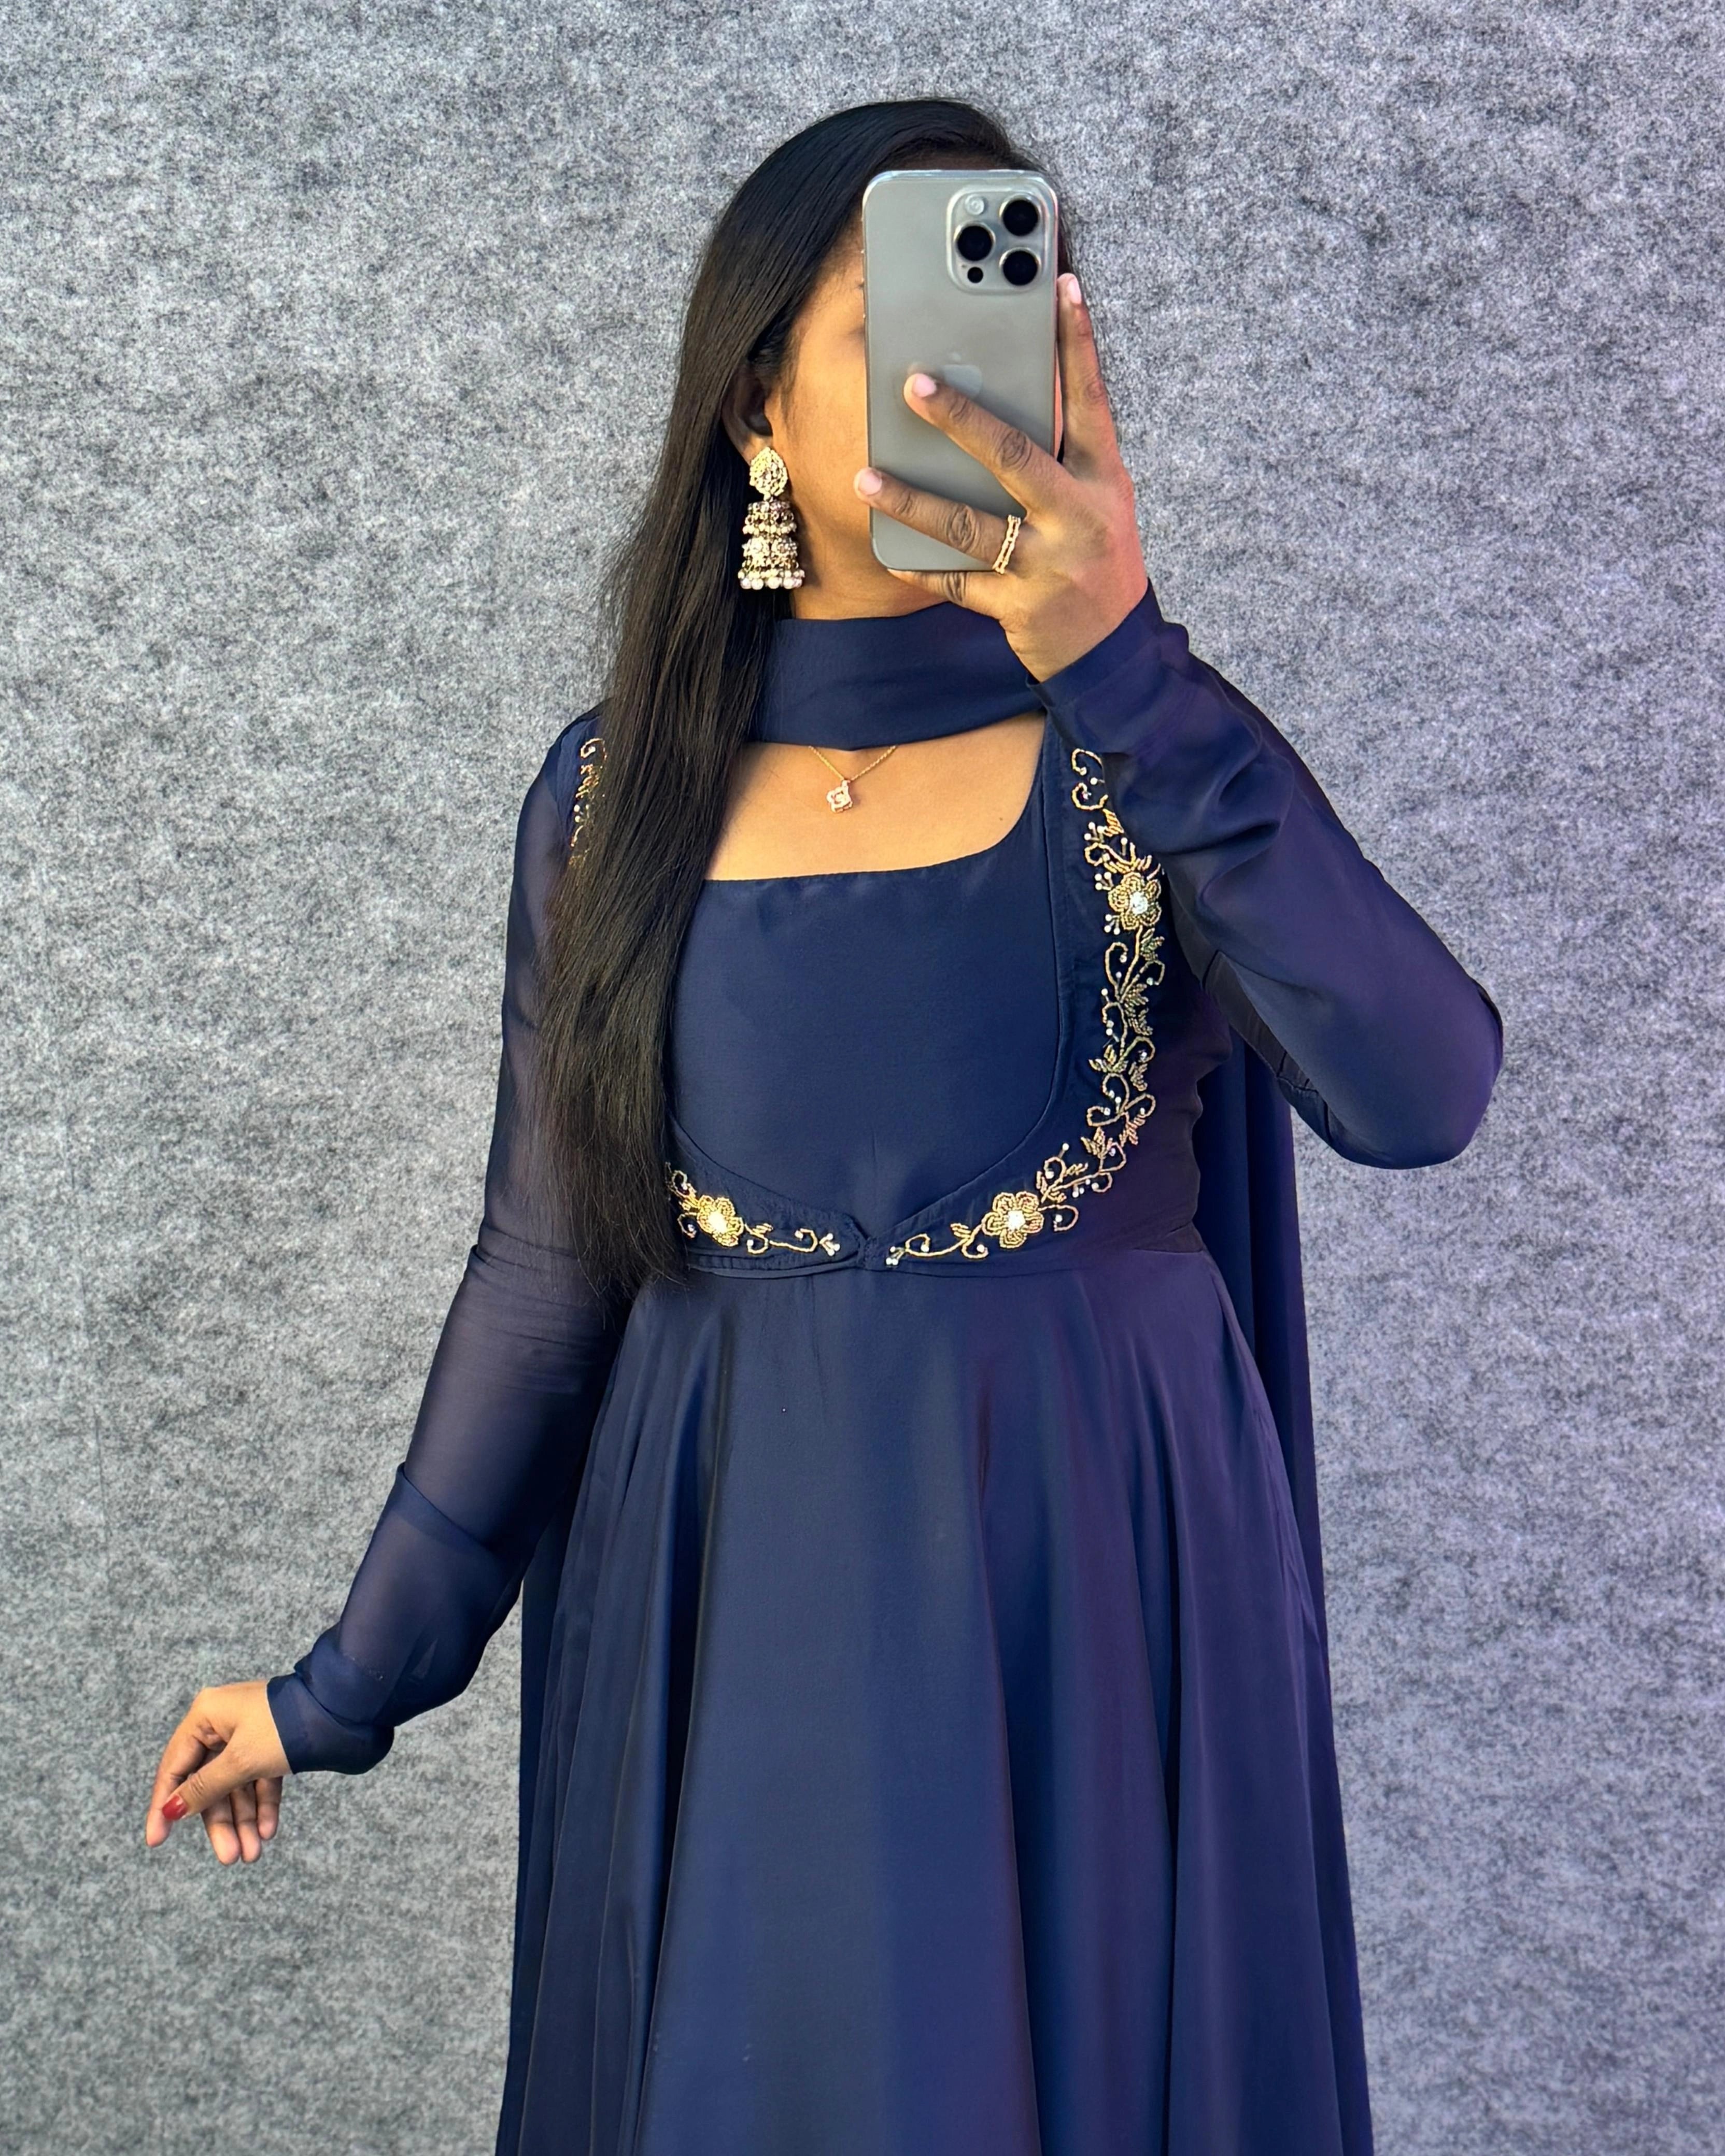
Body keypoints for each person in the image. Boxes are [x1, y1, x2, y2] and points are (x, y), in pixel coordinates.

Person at [144, 97, 1502, 2156]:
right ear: (755, 407)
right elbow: (543, 1278)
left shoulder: (1154, 750)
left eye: (1010, 319)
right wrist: (340, 1686)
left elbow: (1424, 1092)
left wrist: (1129, 669)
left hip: (1100, 1608)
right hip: (741, 1608)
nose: (966, 384)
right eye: (895, 335)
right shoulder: (610, 801)